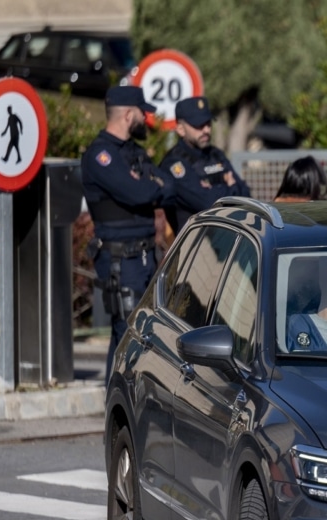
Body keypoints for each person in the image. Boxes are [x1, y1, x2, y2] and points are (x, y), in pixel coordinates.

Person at [82, 85, 175, 380]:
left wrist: (149, 187)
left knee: (138, 332)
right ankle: (119, 401)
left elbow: (168, 186)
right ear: (127, 114)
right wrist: (149, 187)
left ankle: (120, 403)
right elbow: (135, 193)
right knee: (129, 332)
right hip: (121, 260)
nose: (146, 118)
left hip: (147, 255)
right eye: (142, 112)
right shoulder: (100, 156)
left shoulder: (134, 152)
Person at [159, 96, 249, 232]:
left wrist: (217, 189)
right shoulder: (174, 163)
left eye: (208, 123)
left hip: (228, 236)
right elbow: (207, 203)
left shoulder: (215, 154)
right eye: (198, 125)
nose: (206, 130)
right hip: (197, 242)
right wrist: (229, 186)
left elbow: (245, 193)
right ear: (180, 129)